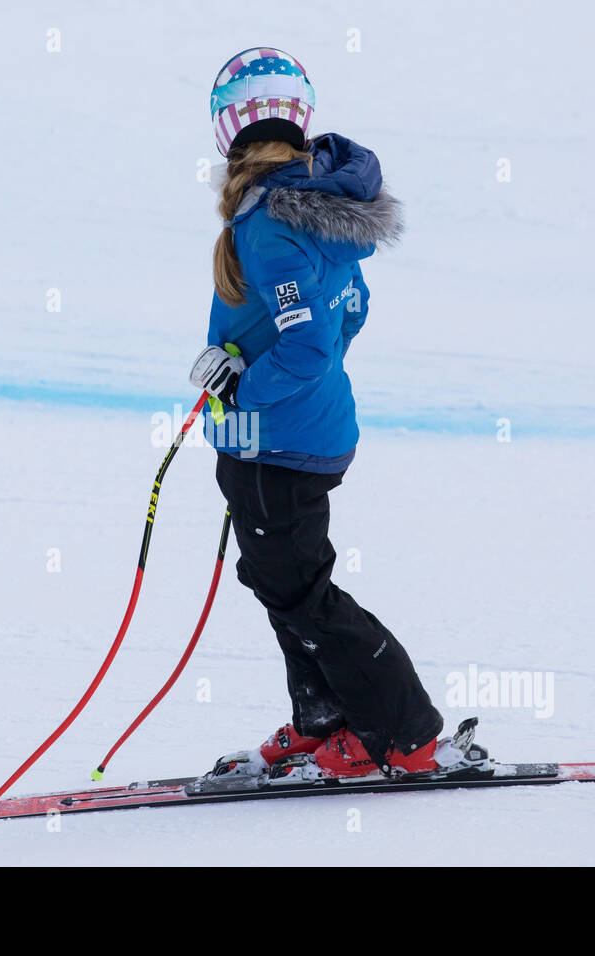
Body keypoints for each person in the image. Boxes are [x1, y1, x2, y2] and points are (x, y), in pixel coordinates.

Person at [190, 47, 444, 779]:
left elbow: (305, 348)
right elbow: (350, 309)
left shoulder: (269, 221)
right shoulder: (318, 207)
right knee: (283, 584)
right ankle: (325, 718)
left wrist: (242, 388)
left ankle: (403, 732)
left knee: (303, 594)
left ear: (226, 129)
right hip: (295, 433)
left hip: (277, 442)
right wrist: (252, 360)